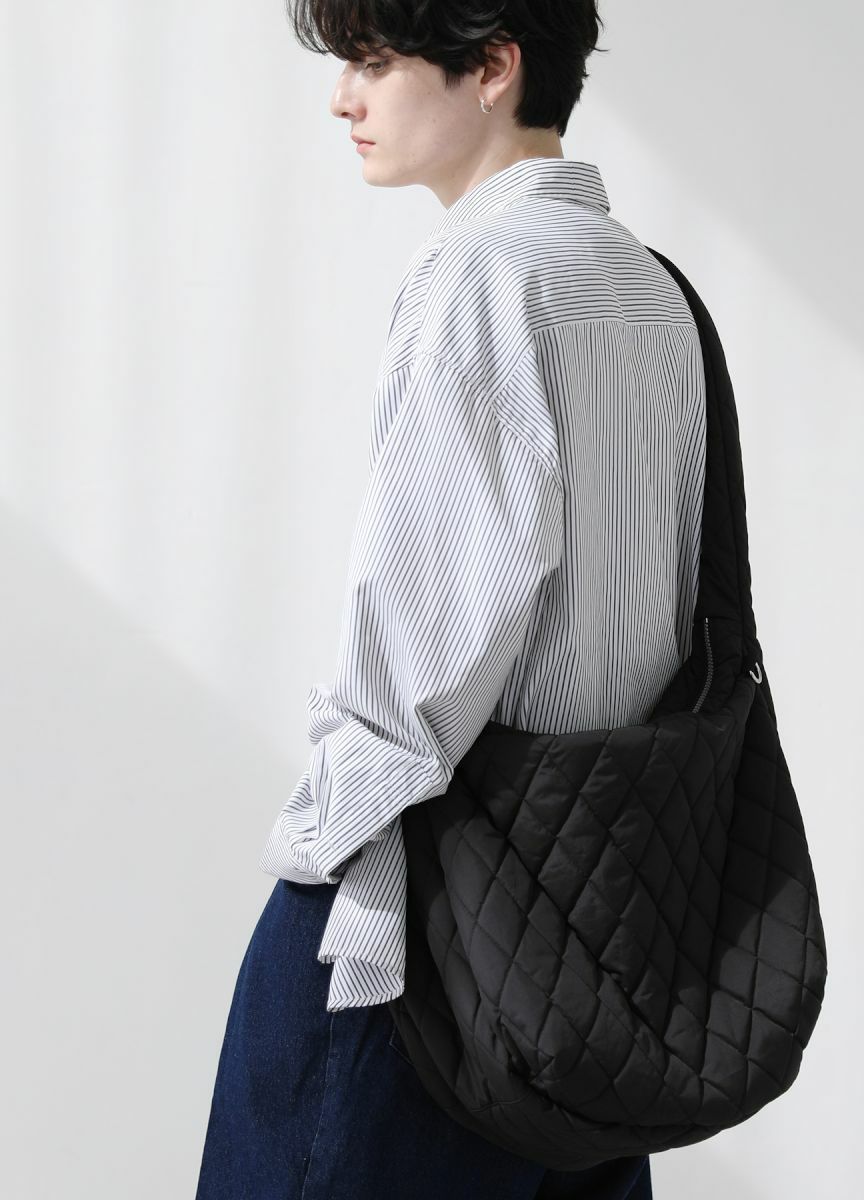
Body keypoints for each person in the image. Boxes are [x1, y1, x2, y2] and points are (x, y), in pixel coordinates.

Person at [196, 3, 706, 1197]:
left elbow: (422, 657)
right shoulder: (652, 291)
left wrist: (318, 839)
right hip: (597, 939)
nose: (343, 98)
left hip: (418, 935)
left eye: (374, 62)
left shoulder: (479, 276)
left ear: (491, 66)